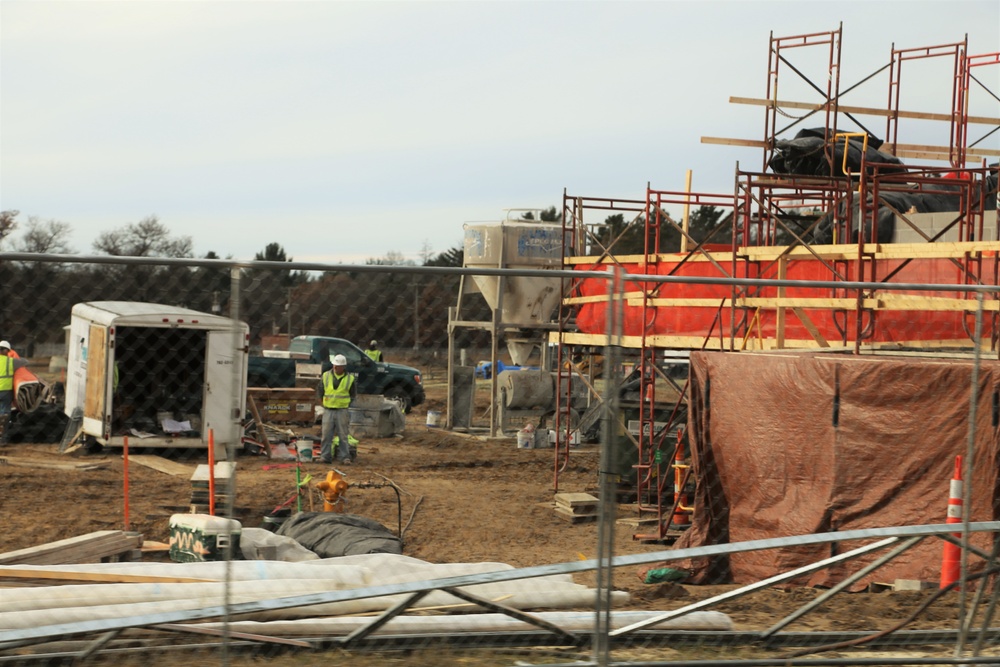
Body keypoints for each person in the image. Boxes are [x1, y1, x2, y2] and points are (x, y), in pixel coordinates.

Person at [320, 354, 357, 464]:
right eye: (335, 365)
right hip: (328, 409)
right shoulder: (326, 376)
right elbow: (320, 392)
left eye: (338, 366)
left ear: (343, 367)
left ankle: (344, 457)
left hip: (342, 410)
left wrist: (345, 405)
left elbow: (353, 395)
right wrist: (324, 404)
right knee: (326, 435)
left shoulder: (350, 379)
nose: (336, 368)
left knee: (343, 435)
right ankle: (325, 456)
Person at [0, 341, 26, 445]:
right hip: (6, 391)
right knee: (5, 414)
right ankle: (3, 439)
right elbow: (25, 362)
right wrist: (13, 354)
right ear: (7, 351)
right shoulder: (11, 361)